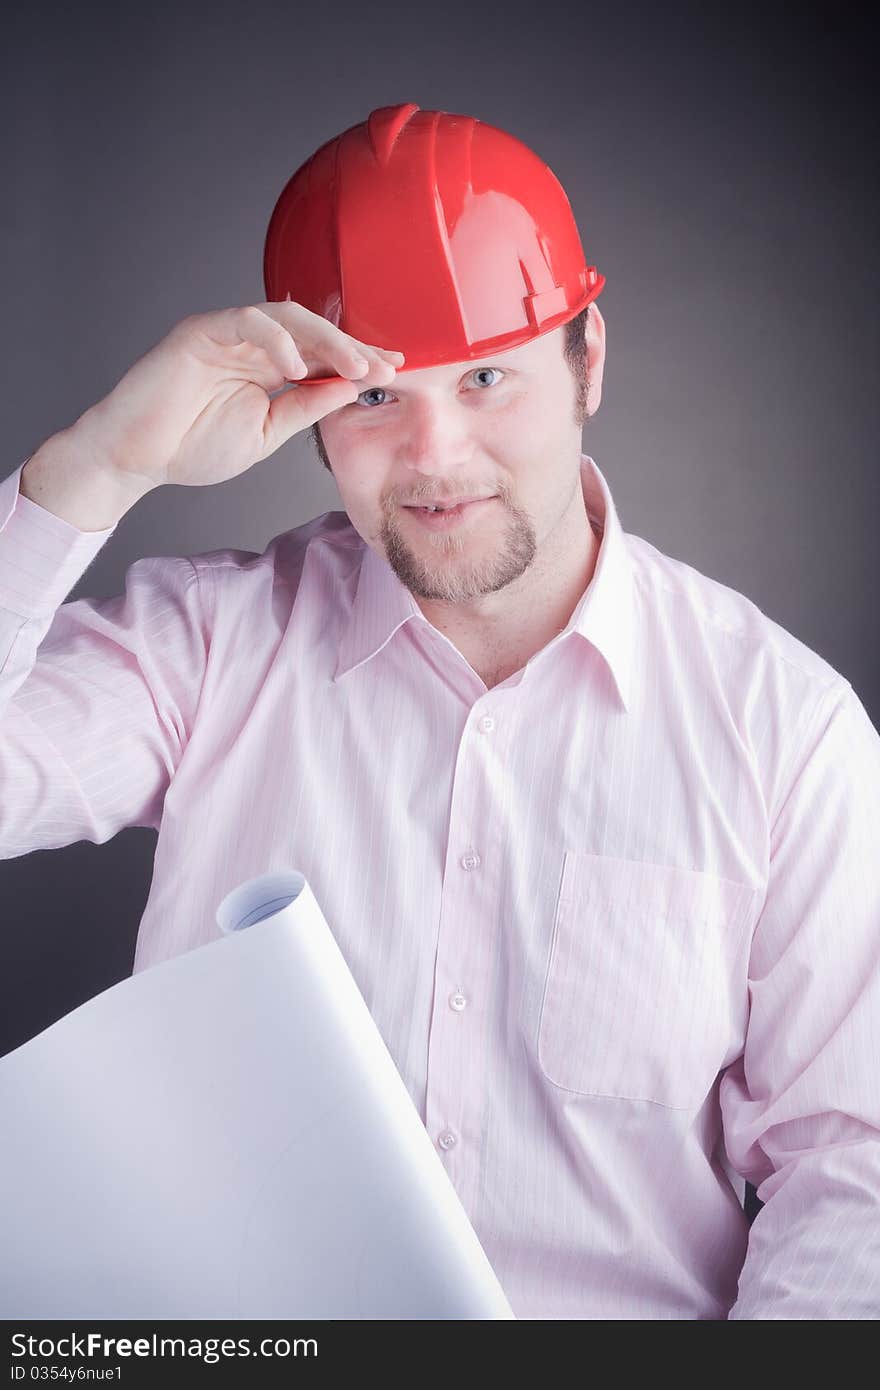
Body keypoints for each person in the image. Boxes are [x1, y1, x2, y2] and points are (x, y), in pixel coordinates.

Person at [1, 102, 878, 1321]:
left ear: (588, 361)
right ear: (306, 411)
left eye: (483, 379)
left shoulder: (786, 731)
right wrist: (95, 466)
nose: (433, 454)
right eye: (372, 400)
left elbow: (854, 1169)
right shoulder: (205, 650)